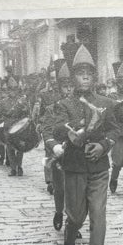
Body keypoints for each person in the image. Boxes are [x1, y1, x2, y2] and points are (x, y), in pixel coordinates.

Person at [52, 44, 119, 245]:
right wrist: (71, 134)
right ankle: (70, 239)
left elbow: (114, 129)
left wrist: (103, 146)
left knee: (98, 217)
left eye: (89, 74)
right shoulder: (64, 104)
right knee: (77, 216)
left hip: (99, 168)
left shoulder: (106, 102)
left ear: (94, 77)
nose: (86, 78)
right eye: (81, 74)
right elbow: (57, 127)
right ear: (74, 77)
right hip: (75, 168)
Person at [40, 59, 73, 230]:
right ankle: (59, 211)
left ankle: (72, 222)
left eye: (71, 86)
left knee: (76, 191)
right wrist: (54, 146)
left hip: (78, 154)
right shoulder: (52, 108)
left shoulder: (82, 106)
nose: (69, 90)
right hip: (60, 153)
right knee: (61, 189)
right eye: (65, 86)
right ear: (59, 88)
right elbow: (46, 131)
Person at [0, 76, 30, 176]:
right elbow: (5, 113)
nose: (12, 91)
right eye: (10, 89)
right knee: (10, 148)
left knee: (20, 148)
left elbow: (27, 112)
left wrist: (24, 108)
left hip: (19, 127)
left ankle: (19, 166)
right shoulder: (4, 101)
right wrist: (15, 108)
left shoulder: (22, 100)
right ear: (8, 90)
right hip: (8, 127)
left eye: (15, 89)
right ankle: (13, 168)